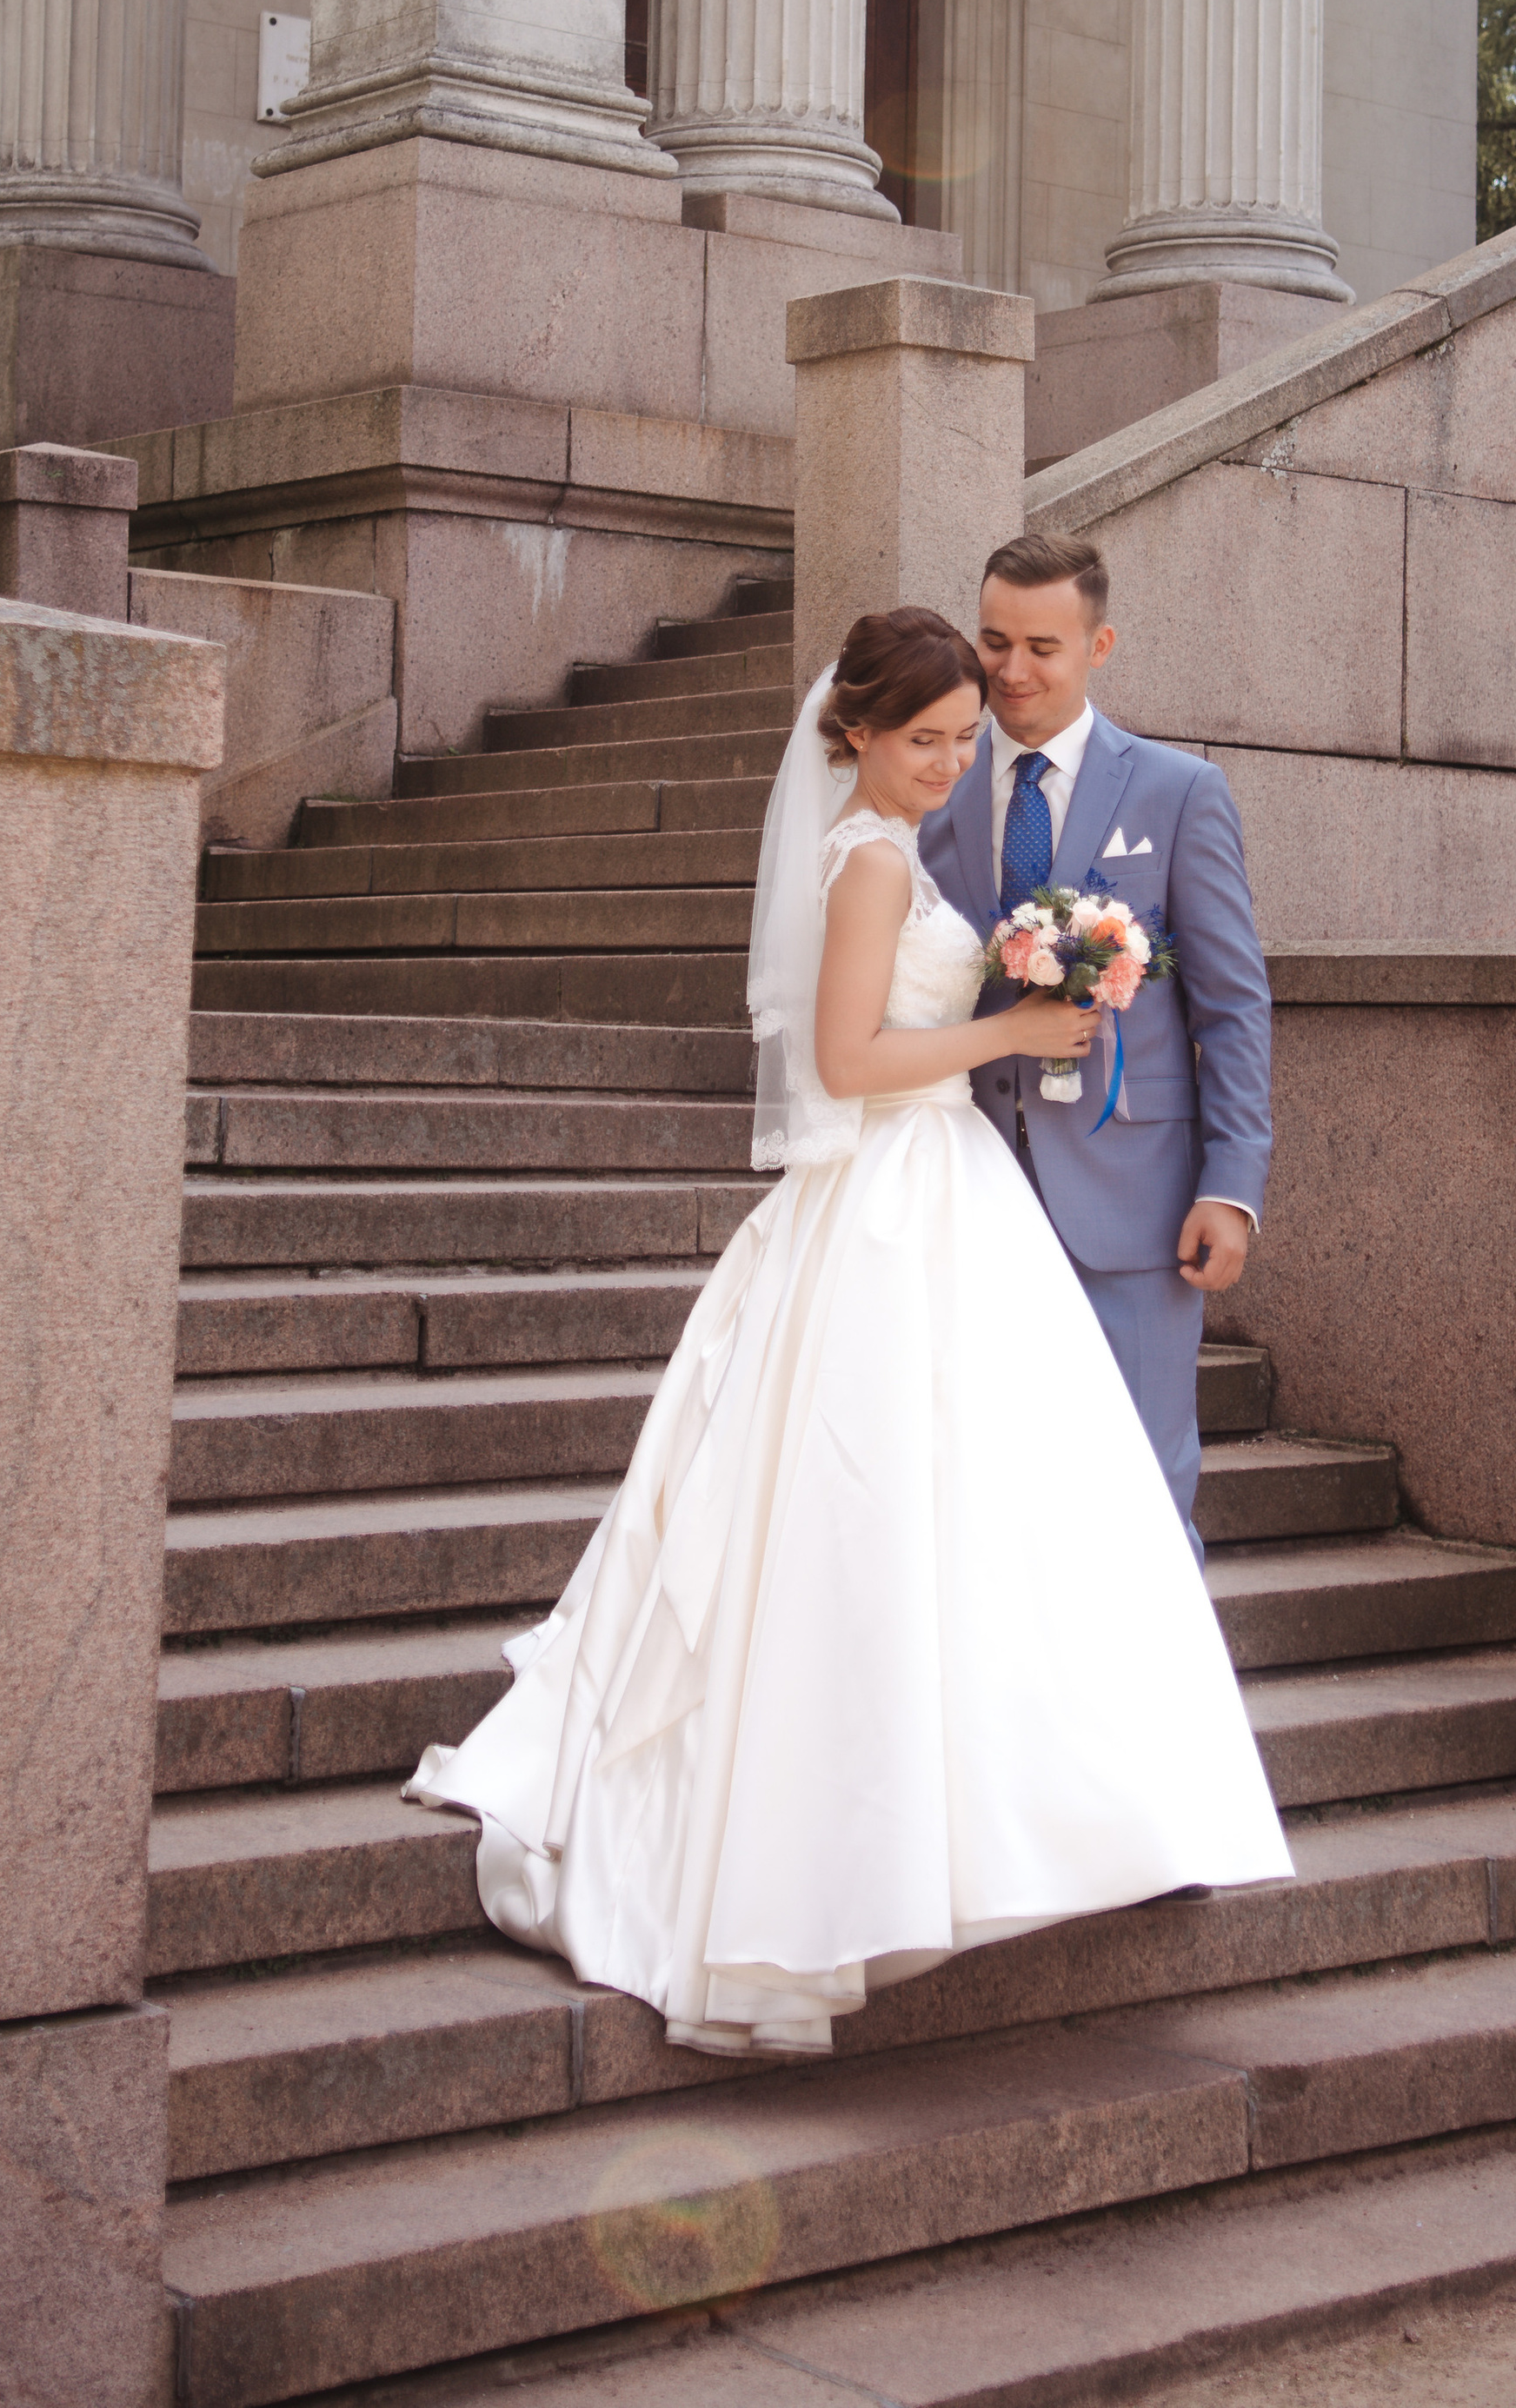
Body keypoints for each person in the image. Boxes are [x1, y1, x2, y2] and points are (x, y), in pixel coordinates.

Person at [404, 606, 1290, 2057]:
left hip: (945, 1193)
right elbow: (847, 1060)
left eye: (961, 736)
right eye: (925, 737)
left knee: (995, 1514)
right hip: (895, 1192)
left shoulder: (903, 847)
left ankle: (1034, 1808)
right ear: (855, 736)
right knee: (873, 1511)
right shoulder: (872, 857)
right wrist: (1012, 1032)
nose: (952, 761)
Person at [918, 532, 1273, 1565]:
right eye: (992, 643)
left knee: (1142, 1480)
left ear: (1098, 645)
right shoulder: (931, 785)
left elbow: (1232, 1006)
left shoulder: (1177, 792)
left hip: (1134, 1195)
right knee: (985, 1483)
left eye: (1041, 647)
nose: (1011, 673)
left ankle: (1160, 1720)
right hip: (964, 1188)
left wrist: (1233, 1183)